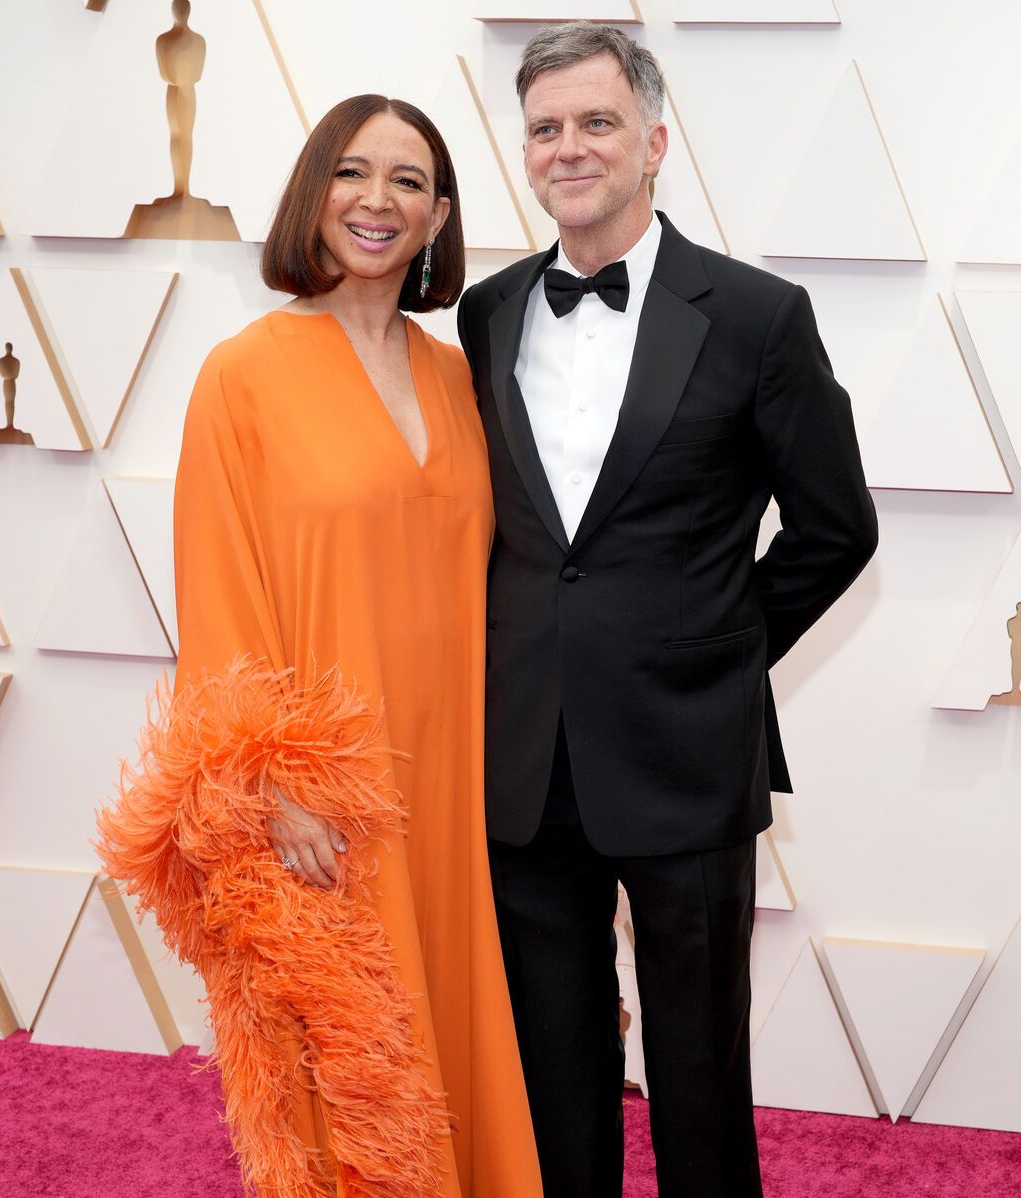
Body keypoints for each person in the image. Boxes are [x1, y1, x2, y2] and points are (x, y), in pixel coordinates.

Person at [457, 22, 878, 1198]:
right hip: (523, 754)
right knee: (555, 1063)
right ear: (525, 151)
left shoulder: (755, 314)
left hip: (686, 750)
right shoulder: (486, 313)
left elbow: (837, 527)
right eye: (545, 128)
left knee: (700, 1069)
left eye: (595, 123)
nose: (567, 147)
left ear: (652, 140)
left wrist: (721, 648)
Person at [97, 95, 542, 1198]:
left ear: (440, 215)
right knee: (350, 1059)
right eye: (351, 173)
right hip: (324, 801)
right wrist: (273, 783)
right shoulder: (244, 373)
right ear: (313, 193)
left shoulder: (457, 374)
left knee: (449, 1008)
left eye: (407, 181)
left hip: (451, 778)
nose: (377, 201)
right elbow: (220, 589)